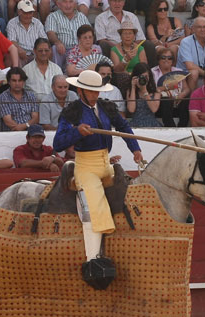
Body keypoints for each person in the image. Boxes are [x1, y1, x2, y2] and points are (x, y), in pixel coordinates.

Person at [53, 70, 144, 274]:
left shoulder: (106, 107)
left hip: (105, 163)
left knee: (130, 190)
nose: (95, 95)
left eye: (97, 91)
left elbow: (124, 128)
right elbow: (57, 143)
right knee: (94, 209)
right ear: (80, 90)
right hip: (85, 166)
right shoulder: (71, 112)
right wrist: (76, 132)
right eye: (91, 91)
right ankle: (93, 260)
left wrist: (135, 148)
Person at [45, 0, 91, 69]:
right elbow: (50, 33)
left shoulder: (82, 17)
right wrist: (58, 43)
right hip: (63, 50)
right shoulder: (53, 17)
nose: (68, 5)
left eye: (71, 1)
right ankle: (58, 74)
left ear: (75, 3)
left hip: (80, 50)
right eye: (64, 2)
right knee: (55, 48)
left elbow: (90, 33)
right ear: (58, 4)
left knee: (96, 48)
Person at [151, 47, 189, 126]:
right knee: (166, 100)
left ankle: (183, 127)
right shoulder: (152, 72)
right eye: (163, 57)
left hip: (177, 101)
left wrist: (182, 94)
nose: (166, 60)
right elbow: (153, 90)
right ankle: (170, 126)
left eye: (169, 58)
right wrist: (167, 87)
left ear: (172, 60)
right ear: (158, 59)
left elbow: (186, 89)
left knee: (186, 99)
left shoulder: (178, 71)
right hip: (161, 104)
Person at [110, 20, 148, 96]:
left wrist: (134, 76)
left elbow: (144, 68)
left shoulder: (140, 49)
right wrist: (125, 60)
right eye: (125, 33)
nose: (127, 36)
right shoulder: (114, 50)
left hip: (138, 77)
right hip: (122, 78)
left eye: (130, 33)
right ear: (120, 36)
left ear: (134, 36)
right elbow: (116, 70)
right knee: (124, 77)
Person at [7, 0, 48, 67]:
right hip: (20, 54)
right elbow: (11, 41)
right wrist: (19, 49)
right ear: (19, 12)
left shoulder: (37, 23)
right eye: (25, 13)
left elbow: (44, 40)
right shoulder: (12, 23)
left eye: (30, 13)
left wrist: (38, 52)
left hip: (36, 53)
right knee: (13, 55)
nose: (28, 15)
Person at [0, 67, 40, 131]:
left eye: (20, 80)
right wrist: (19, 129)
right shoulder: (3, 97)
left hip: (30, 132)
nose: (17, 83)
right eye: (14, 80)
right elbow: (8, 121)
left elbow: (36, 118)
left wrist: (24, 126)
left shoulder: (31, 95)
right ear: (9, 82)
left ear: (24, 82)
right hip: (11, 133)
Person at [126, 62, 161, 127]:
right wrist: (133, 87)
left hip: (151, 123)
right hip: (135, 123)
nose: (144, 79)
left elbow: (154, 109)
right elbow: (131, 109)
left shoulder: (156, 91)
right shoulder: (130, 91)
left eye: (146, 76)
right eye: (141, 77)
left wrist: (144, 91)